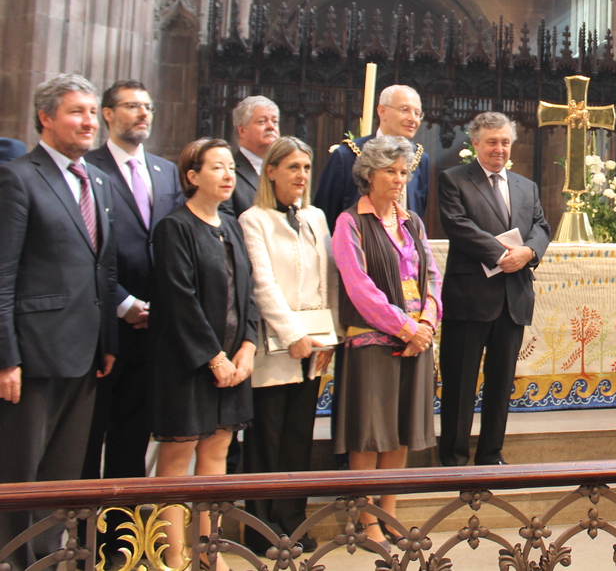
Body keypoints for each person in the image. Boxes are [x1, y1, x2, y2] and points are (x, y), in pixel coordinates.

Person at [0, 75, 118, 565]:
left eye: (92, 112)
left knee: (61, 476)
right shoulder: (18, 176)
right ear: (46, 117)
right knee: (19, 474)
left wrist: (108, 340)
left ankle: (46, 559)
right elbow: (3, 275)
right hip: (34, 352)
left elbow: (104, 269)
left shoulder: (98, 180)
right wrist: (5, 358)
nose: (89, 121)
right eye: (76, 112)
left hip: (86, 350)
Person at [82, 80, 184, 559]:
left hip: (156, 326)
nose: (142, 114)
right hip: (104, 322)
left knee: (133, 434)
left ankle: (121, 541)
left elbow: (169, 245)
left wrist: (161, 307)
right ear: (107, 115)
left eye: (147, 106)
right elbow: (90, 253)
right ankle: (85, 539)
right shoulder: (89, 167)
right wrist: (124, 303)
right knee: (90, 435)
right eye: (130, 107)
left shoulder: (165, 172)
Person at [150, 138, 258, 571]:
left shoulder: (231, 224)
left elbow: (247, 294)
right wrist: (214, 357)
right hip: (187, 363)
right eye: (217, 167)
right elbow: (179, 300)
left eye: (231, 167)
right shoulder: (174, 227)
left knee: (217, 452)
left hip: (234, 361)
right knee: (178, 457)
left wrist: (248, 346)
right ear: (192, 176)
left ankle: (208, 552)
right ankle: (173, 556)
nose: (229, 175)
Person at [331, 135, 441, 550]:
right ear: (368, 175)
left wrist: (427, 321)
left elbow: (431, 276)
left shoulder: (412, 220)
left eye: (403, 173)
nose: (399, 180)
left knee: (399, 433)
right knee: (370, 433)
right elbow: (360, 288)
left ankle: (389, 510)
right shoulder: (350, 222)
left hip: (417, 338)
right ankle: (365, 517)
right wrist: (406, 328)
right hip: (374, 341)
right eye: (390, 172)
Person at [239, 137, 338, 554]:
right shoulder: (253, 219)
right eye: (293, 167)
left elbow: (328, 277)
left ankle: (292, 522)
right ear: (272, 171)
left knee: (299, 434)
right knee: (267, 436)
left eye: (306, 168)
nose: (301, 176)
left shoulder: (315, 216)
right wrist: (292, 334)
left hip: (314, 343)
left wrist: (327, 336)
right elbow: (262, 284)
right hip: (274, 346)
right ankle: (260, 527)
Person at [437, 112, 551, 465]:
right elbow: (459, 227)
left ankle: (490, 453)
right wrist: (505, 256)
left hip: (513, 297)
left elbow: (541, 226)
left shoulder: (525, 186)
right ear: (475, 144)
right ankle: (454, 458)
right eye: (491, 141)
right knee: (460, 383)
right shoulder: (454, 180)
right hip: (470, 297)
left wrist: (529, 252)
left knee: (501, 384)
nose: (498, 148)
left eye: (504, 142)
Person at [314, 85, 430, 232]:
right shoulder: (348, 155)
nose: (413, 119)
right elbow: (324, 215)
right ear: (382, 111)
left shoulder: (420, 159)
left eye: (417, 113)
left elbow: (418, 209)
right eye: (405, 110)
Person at [225, 95, 280, 216]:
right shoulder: (228, 170)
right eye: (262, 121)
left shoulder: (285, 169)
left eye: (275, 121)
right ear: (242, 131)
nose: (271, 126)